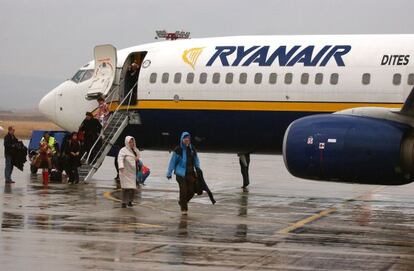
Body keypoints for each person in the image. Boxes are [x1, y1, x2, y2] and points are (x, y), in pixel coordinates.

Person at [167, 132, 200, 215]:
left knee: (191, 191)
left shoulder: (192, 149)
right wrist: (169, 172)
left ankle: (182, 202)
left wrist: (198, 168)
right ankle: (184, 209)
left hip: (190, 173)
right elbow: (172, 162)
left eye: (188, 138)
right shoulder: (178, 150)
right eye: (185, 138)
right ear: (182, 139)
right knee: (183, 191)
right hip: (180, 174)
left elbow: (196, 160)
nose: (186, 139)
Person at [117, 136, 139, 208]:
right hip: (125, 171)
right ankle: (123, 202)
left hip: (132, 172)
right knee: (125, 188)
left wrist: (137, 160)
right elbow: (120, 159)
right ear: (127, 142)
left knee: (132, 188)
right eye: (130, 142)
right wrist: (121, 166)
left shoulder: (135, 150)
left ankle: (130, 201)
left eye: (132, 142)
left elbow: (137, 158)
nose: (131, 143)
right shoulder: (123, 150)